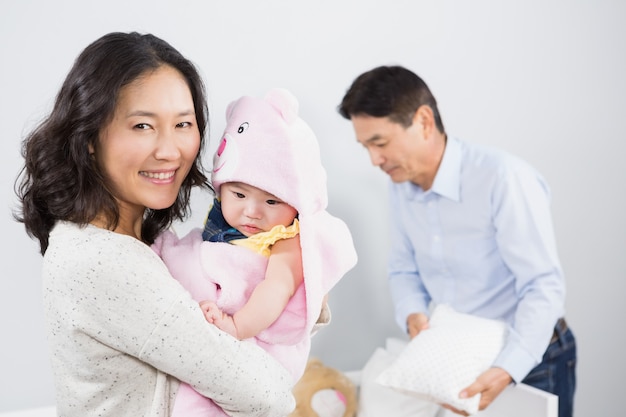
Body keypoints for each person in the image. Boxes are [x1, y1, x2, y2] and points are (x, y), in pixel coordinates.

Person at [14, 31, 297, 417]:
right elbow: (268, 396)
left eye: (183, 124)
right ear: (89, 136)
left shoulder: (141, 243)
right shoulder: (103, 262)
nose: (169, 151)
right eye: (142, 126)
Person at [338, 65, 576, 417]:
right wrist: (413, 314)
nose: (375, 160)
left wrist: (509, 367)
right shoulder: (400, 185)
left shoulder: (504, 179)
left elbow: (543, 285)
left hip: (530, 355)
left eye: (380, 143)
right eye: (366, 147)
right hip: (460, 353)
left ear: (423, 121)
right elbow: (403, 268)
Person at [153, 88, 358, 417]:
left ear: (296, 204)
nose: (252, 211)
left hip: (249, 338)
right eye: (239, 194)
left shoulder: (290, 239)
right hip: (200, 327)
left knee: (201, 403)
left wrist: (236, 326)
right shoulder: (223, 217)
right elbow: (198, 251)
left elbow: (275, 289)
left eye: (271, 201)